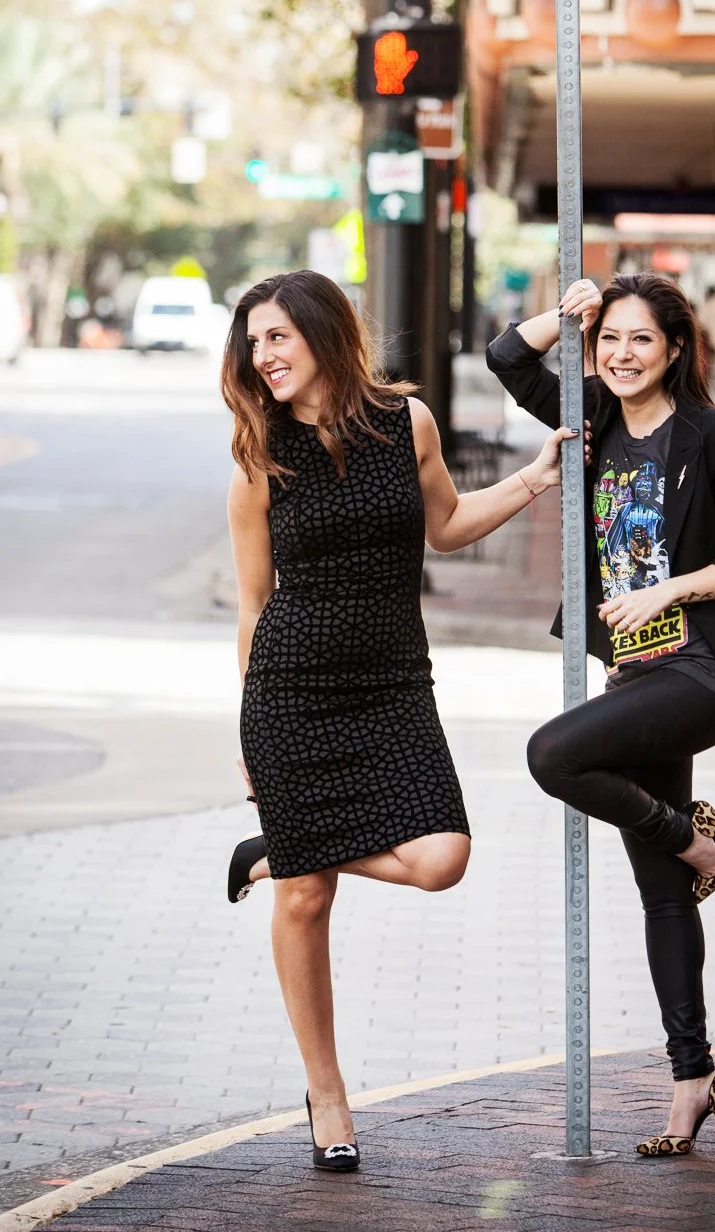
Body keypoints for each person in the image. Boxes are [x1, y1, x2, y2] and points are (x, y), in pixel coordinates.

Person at [220, 270, 574, 1174]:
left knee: (441, 857)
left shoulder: (404, 424)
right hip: (292, 691)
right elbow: (252, 607)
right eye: (252, 343)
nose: (263, 358)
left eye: (277, 338)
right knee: (307, 896)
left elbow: (447, 525)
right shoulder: (260, 456)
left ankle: (277, 846)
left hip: (391, 686)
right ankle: (327, 1096)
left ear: (323, 334)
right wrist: (245, 724)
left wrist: (534, 480)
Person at [486, 272, 715, 1158]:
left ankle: (695, 840)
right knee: (661, 898)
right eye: (607, 338)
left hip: (699, 671)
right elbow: (506, 354)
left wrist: (666, 591)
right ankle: (693, 1078)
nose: (619, 355)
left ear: (675, 349)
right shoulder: (591, 423)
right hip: (632, 679)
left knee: (551, 756)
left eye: (639, 340)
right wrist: (568, 308)